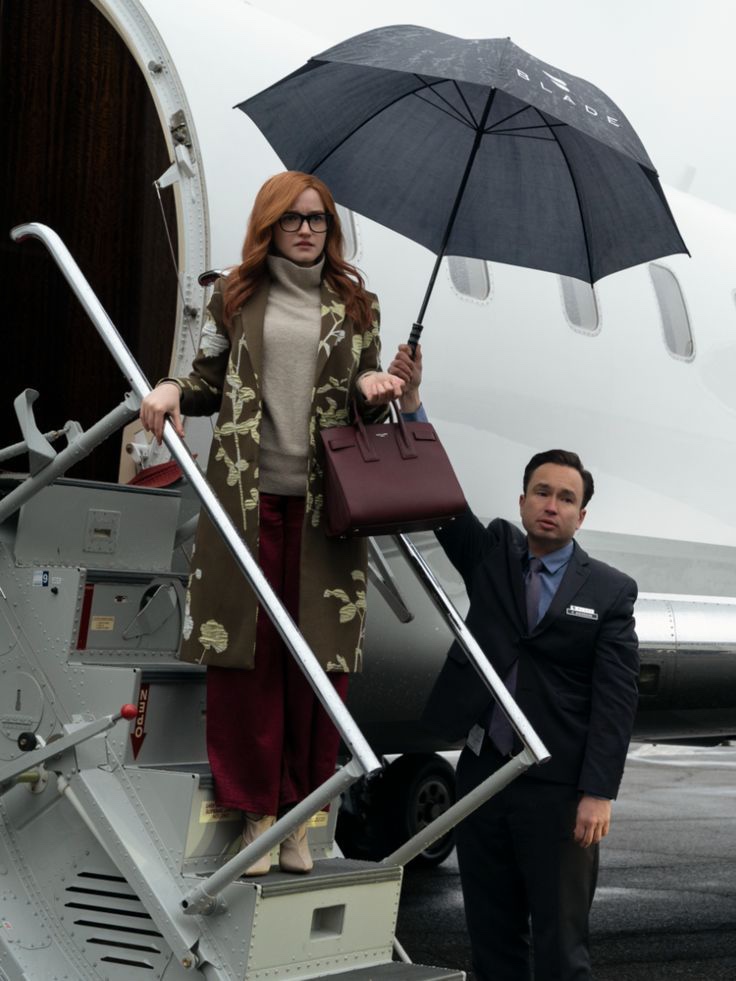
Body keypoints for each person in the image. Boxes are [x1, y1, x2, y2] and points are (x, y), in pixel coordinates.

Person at [140, 172, 403, 875]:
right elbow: (205, 380)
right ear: (269, 225)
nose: (307, 230)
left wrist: (376, 387)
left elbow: (367, 394)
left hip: (327, 512)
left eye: (318, 219)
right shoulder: (234, 295)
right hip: (246, 502)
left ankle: (299, 819)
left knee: (318, 668)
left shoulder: (357, 304)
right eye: (293, 218)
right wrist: (169, 387)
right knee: (245, 664)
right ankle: (256, 813)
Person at [389, 343, 639, 981]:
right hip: (483, 778)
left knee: (561, 948)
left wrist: (598, 793)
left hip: (560, 791)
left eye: (565, 498)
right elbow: (442, 500)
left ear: (582, 514)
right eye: (541, 492)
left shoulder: (610, 591)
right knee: (491, 941)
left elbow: (616, 703)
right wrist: (412, 407)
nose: (551, 504)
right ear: (523, 500)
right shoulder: (493, 553)